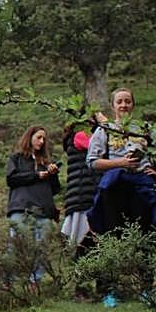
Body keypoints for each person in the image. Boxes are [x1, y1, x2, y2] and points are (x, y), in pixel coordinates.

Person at [86, 88, 156, 305]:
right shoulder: (104, 130)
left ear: (133, 105)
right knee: (110, 235)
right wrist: (120, 163)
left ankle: (147, 288)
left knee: (145, 234)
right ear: (113, 106)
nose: (124, 105)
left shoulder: (145, 130)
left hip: (142, 187)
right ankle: (109, 290)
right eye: (119, 101)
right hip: (115, 188)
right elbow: (92, 162)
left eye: (128, 101)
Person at [5, 126, 61, 287]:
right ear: (29, 137)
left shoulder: (46, 163)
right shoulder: (16, 158)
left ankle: (34, 281)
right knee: (16, 245)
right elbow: (11, 179)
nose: (42, 141)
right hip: (21, 207)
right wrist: (36, 175)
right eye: (38, 137)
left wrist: (53, 174)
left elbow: (55, 190)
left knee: (41, 247)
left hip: (43, 210)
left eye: (44, 139)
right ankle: (9, 282)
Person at [61, 120, 99, 300]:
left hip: (87, 196)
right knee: (85, 244)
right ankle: (81, 289)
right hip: (84, 197)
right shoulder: (80, 137)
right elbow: (97, 143)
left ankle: (89, 287)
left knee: (92, 244)